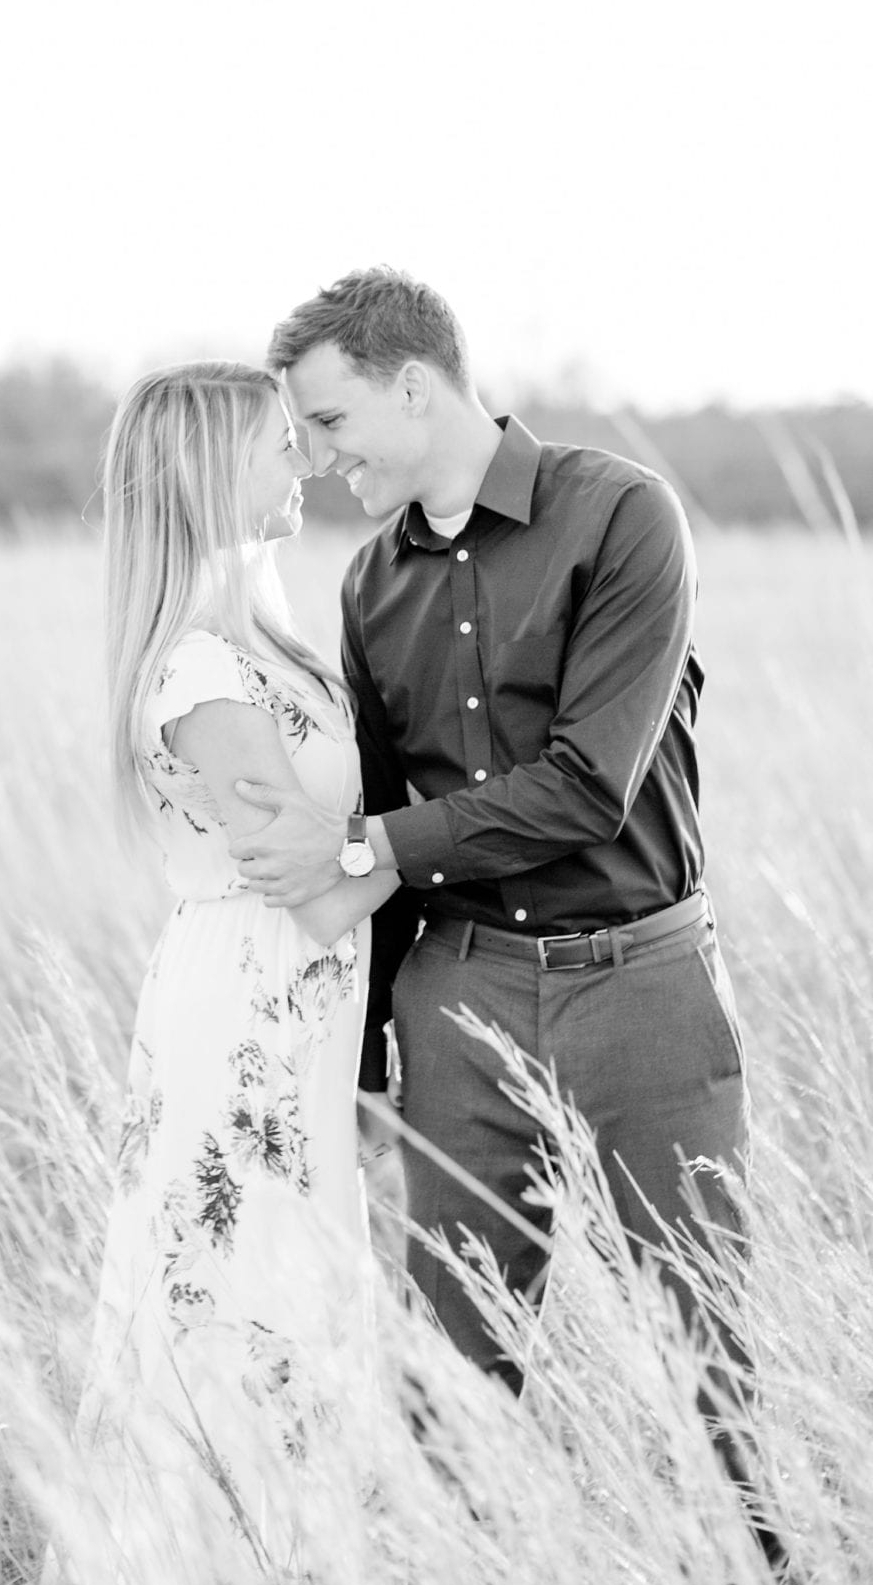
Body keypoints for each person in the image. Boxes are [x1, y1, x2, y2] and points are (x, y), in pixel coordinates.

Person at [229, 268, 754, 1434]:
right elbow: (385, 825)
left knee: (705, 1345)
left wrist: (362, 844)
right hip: (457, 997)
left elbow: (585, 791)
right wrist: (363, 1062)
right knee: (450, 1367)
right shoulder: (371, 580)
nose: (314, 458)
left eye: (328, 420)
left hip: (642, 990)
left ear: (412, 388)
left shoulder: (624, 516)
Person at [21, 361, 401, 1585]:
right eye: (274, 444)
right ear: (200, 474)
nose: (300, 461)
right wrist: (460, 840)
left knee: (281, 1295)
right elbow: (307, 874)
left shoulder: (265, 641)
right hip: (243, 1013)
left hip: (294, 1008)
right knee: (226, 1302)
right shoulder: (194, 673)